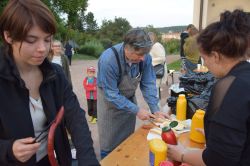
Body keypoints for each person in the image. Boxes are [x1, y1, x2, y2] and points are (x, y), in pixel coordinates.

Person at [0, 0, 99, 165]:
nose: (42, 49)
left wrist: (88, 160)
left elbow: (75, 118)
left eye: (47, 40)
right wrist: (7, 150)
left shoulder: (55, 74)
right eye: (32, 40)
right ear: (8, 36)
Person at [167, 9, 250, 166]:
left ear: (216, 56)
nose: (205, 65)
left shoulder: (228, 87)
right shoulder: (245, 73)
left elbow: (219, 160)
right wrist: (219, 137)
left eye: (204, 59)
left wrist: (182, 154)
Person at [97, 28, 169, 158]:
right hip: (110, 107)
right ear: (127, 49)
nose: (143, 58)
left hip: (129, 102)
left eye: (145, 54)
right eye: (139, 55)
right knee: (109, 144)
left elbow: (148, 84)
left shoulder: (144, 57)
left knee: (127, 141)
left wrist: (155, 108)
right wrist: (136, 110)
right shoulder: (109, 60)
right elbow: (111, 94)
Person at [148, 32, 166, 101]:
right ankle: (154, 110)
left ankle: (155, 110)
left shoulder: (156, 45)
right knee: (153, 92)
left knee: (154, 93)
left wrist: (149, 61)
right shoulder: (152, 46)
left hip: (156, 71)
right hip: (153, 72)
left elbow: (162, 58)